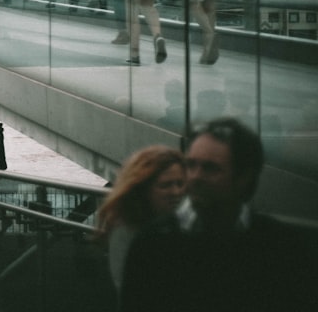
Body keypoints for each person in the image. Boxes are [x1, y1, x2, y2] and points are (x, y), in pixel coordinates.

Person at [121, 118, 317, 311]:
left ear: (244, 177)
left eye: (210, 168)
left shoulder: (281, 248)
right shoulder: (152, 243)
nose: (195, 177)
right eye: (191, 165)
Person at [96, 145, 184, 291]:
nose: (175, 192)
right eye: (165, 185)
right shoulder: (126, 229)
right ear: (144, 189)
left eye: (180, 184)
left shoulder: (185, 221)